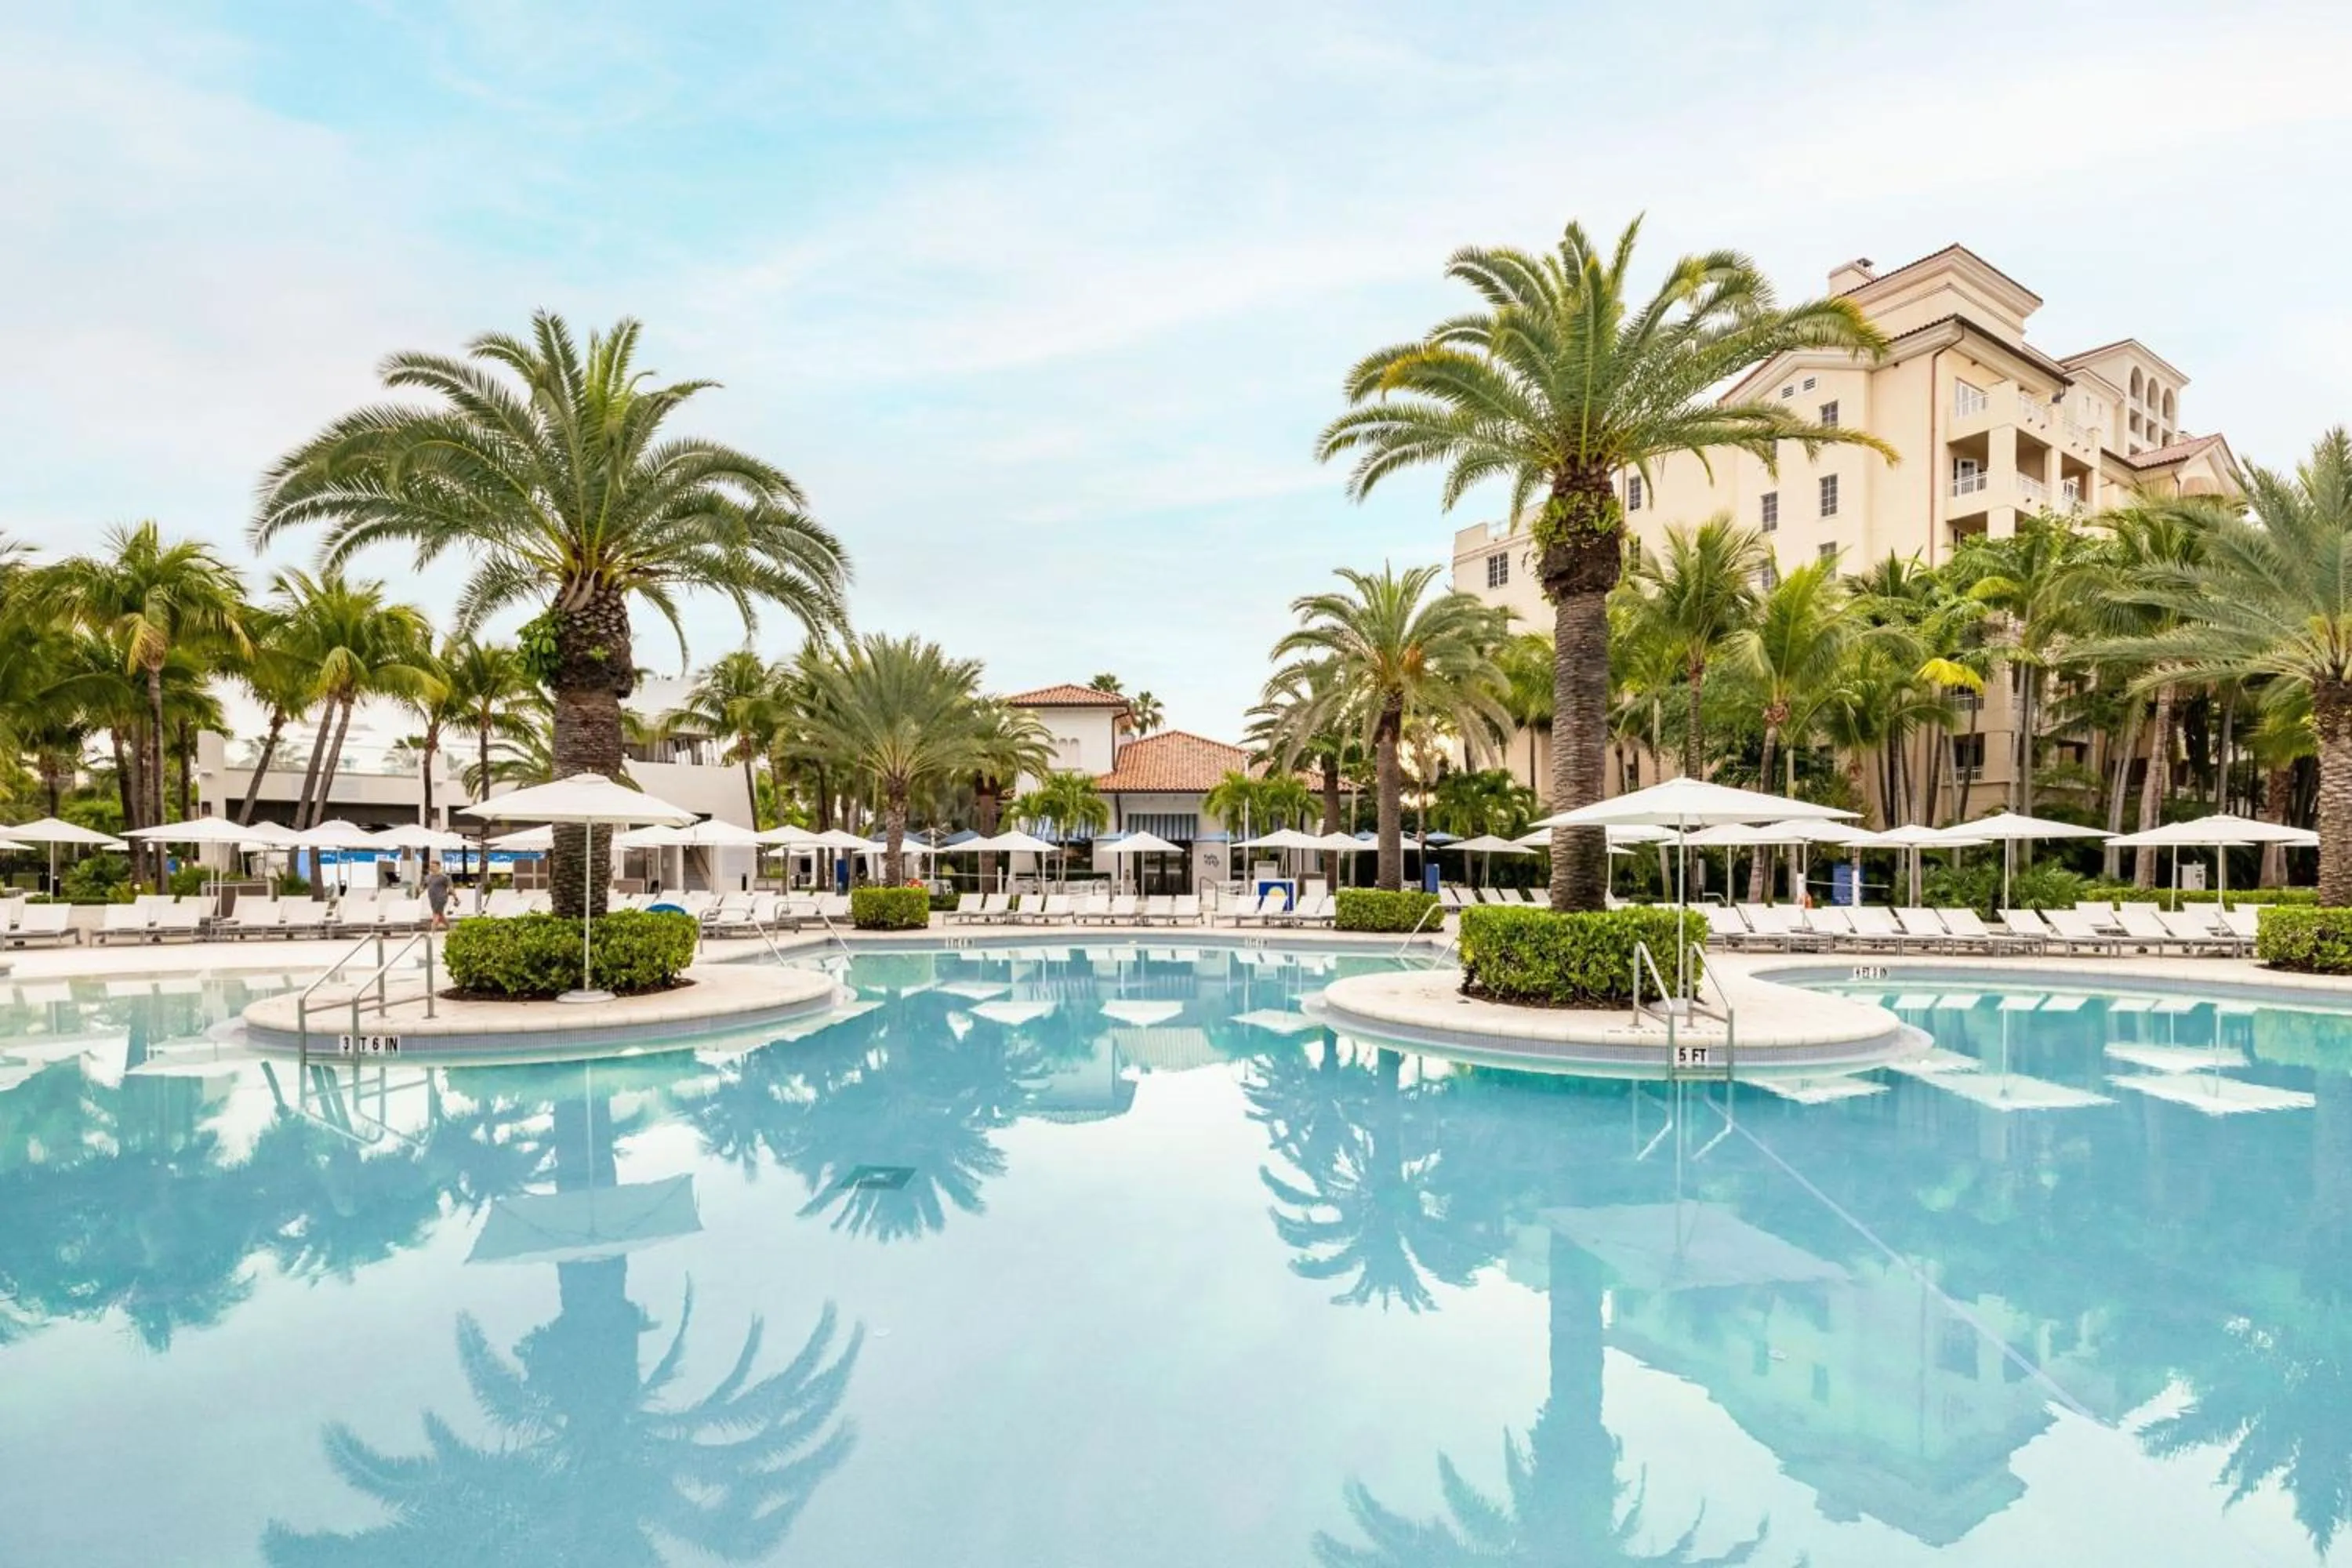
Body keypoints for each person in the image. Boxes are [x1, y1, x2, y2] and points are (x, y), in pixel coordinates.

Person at [424, 859, 453, 931]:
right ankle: (451, 929)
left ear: (439, 867)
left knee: (436, 915)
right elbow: (425, 886)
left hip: (441, 898)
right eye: (430, 866)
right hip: (432, 899)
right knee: (441, 915)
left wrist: (455, 897)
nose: (431, 868)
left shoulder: (445, 877)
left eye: (433, 866)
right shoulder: (428, 877)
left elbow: (451, 888)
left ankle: (431, 933)